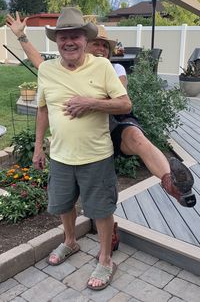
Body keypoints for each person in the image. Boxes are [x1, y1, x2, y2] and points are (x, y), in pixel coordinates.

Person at [6, 12, 196, 209]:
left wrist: (87, 102)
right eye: (96, 43)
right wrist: (22, 36)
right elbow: (39, 63)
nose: (101, 48)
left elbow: (120, 100)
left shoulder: (114, 69)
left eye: (105, 45)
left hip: (116, 121)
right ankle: (102, 229)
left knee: (137, 139)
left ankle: (172, 183)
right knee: (94, 196)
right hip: (86, 138)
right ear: (86, 44)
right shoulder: (64, 67)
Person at [11, 7, 132, 290]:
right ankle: (70, 241)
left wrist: (90, 103)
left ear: (85, 39)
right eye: (63, 36)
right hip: (61, 156)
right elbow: (42, 109)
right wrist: (38, 147)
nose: (69, 42)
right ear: (56, 41)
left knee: (101, 211)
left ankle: (105, 259)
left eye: (74, 36)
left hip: (96, 156)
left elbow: (125, 104)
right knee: (63, 205)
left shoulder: (101, 67)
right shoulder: (48, 70)